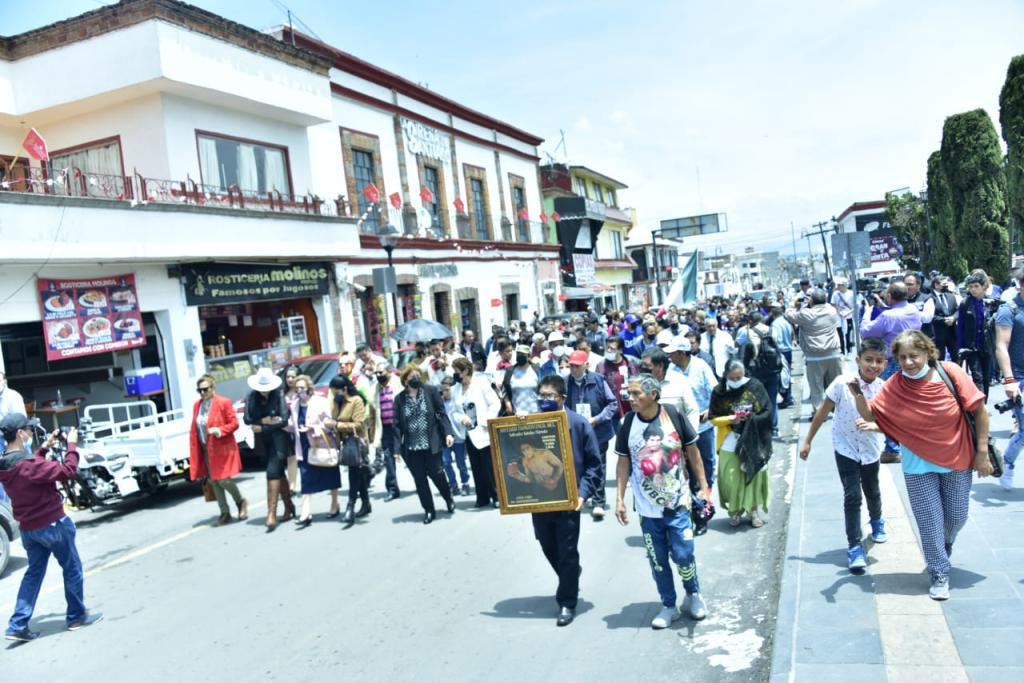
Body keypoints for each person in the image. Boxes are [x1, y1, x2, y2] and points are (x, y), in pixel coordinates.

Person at [847, 330, 993, 600]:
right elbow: (871, 413)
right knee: (929, 522)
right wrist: (857, 394)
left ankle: (944, 544)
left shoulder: (950, 372)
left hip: (958, 457)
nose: (908, 362)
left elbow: (980, 411)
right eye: (902, 357)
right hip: (917, 465)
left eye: (914, 355)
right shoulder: (895, 384)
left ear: (927, 352)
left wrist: (982, 452)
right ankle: (939, 572)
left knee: (956, 517)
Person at [614, 374, 711, 629]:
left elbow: (693, 452)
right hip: (647, 510)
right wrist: (619, 499)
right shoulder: (627, 423)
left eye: (636, 394)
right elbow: (623, 461)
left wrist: (704, 487)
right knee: (658, 561)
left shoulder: (673, 415)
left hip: (678, 504)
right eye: (629, 394)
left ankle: (693, 594)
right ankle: (669, 605)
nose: (631, 398)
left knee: (683, 554)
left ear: (653, 395)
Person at [0, 417, 101, 641]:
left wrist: (44, 448)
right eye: (28, 430)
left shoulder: (6, 464)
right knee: (72, 569)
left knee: (33, 574)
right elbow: (68, 470)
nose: (30, 433)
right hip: (52, 525)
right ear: (19, 433)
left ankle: (17, 624)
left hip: (29, 530)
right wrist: (72, 444)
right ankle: (76, 617)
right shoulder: (29, 465)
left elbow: (29, 468)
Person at [799, 338, 889, 572]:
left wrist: (876, 427)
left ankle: (877, 520)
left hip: (870, 450)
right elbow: (822, 412)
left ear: (885, 363)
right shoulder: (841, 383)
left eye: (878, 361)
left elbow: (887, 422)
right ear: (857, 360)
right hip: (845, 448)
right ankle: (854, 547)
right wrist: (808, 441)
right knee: (852, 496)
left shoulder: (884, 388)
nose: (873, 365)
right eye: (868, 360)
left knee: (872, 490)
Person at [530, 375, 603, 627]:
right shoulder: (532, 424)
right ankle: (570, 574)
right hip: (541, 500)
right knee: (547, 545)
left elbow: (594, 465)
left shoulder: (579, 424)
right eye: (541, 396)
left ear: (562, 398)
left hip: (570, 500)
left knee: (567, 551)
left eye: (549, 396)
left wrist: (583, 494)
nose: (544, 400)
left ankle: (567, 602)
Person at [861, 281, 923, 463]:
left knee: (889, 405)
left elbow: (866, 332)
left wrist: (867, 312)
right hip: (914, 360)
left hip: (893, 362)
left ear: (890, 296)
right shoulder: (913, 310)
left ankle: (892, 448)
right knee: (912, 402)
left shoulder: (887, 316)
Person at [709, 360, 773, 527]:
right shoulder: (719, 392)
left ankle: (754, 511)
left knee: (753, 475)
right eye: (732, 378)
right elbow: (713, 418)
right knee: (731, 478)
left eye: (739, 377)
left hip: (754, 438)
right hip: (729, 440)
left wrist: (751, 418)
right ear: (726, 375)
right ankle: (736, 510)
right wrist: (731, 419)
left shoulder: (755, 386)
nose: (736, 381)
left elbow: (767, 411)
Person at [394, 365, 456, 524]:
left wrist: (448, 433)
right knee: (420, 479)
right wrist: (396, 449)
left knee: (437, 473)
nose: (416, 379)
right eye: (411, 377)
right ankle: (429, 509)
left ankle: (448, 497)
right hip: (412, 447)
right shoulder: (400, 399)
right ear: (405, 381)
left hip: (431, 443)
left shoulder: (430, 391)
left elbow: (441, 413)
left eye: (417, 376)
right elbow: (397, 425)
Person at [565, 350, 617, 520]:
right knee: (577, 464)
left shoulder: (599, 380)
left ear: (586, 365)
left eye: (577, 366)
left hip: (597, 431)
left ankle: (598, 502)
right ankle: (582, 495)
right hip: (575, 432)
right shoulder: (565, 383)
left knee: (598, 464)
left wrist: (597, 419)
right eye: (571, 366)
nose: (574, 370)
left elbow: (612, 404)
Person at [189, 374, 247, 526]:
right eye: (199, 390)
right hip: (205, 448)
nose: (202, 393)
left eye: (205, 389)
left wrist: (220, 430)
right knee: (214, 481)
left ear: (213, 388)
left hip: (221, 447)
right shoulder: (197, 405)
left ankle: (240, 501)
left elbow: (234, 423)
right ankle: (224, 512)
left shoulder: (223, 402)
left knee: (224, 480)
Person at [243, 367, 295, 531]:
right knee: (278, 473)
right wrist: (264, 421)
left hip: (278, 439)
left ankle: (271, 513)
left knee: (272, 472)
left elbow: (284, 420)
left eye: (266, 388)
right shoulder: (251, 396)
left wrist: (263, 427)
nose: (264, 391)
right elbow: (247, 419)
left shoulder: (278, 394)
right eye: (261, 388)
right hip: (262, 441)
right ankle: (289, 506)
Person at [287, 374, 340, 525]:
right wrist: (280, 424)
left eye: (302, 388)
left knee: (330, 474)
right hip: (303, 445)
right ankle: (305, 512)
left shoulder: (320, 402)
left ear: (309, 388)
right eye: (297, 388)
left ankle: (334, 503)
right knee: (306, 477)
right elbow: (293, 424)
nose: (299, 391)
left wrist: (314, 428)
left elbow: (330, 423)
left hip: (321, 444)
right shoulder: (294, 405)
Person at [667, 337, 717, 496]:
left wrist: (710, 410)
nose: (670, 356)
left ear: (682, 353)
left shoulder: (701, 367)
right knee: (685, 461)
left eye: (672, 353)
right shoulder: (671, 370)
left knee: (706, 459)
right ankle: (691, 493)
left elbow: (716, 391)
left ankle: (706, 491)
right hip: (681, 427)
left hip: (703, 424)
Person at [450, 357, 501, 507]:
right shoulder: (456, 389)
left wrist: (485, 421)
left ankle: (496, 496)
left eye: (457, 371)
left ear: (466, 371)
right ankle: (482, 497)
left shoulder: (481, 384)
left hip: (483, 432)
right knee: (476, 467)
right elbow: (454, 411)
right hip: (468, 433)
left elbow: (495, 403)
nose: (455, 374)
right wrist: (462, 418)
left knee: (488, 466)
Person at [786, 289, 843, 412]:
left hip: (814, 357)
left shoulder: (806, 314)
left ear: (811, 301)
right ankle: (838, 409)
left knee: (816, 387)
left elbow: (789, 315)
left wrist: (793, 303)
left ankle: (818, 412)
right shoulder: (831, 311)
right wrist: (810, 303)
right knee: (836, 385)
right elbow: (823, 304)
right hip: (834, 354)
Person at [994, 267, 1024, 490]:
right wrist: (1009, 380)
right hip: (1020, 376)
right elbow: (1001, 346)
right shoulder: (1009, 310)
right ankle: (1007, 462)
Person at [327, 374, 370, 527]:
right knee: (359, 473)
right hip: (344, 443)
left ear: (345, 389)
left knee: (354, 473)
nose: (335, 394)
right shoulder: (336, 402)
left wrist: (337, 425)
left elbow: (358, 425)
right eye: (333, 392)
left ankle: (350, 506)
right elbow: (333, 419)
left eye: (337, 391)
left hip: (356, 442)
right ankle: (366, 503)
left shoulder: (356, 401)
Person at [740, 312, 783, 437]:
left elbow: (746, 353)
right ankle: (774, 428)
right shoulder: (772, 330)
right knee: (772, 399)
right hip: (773, 369)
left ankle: (762, 428)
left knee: (758, 401)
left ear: (751, 321)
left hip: (757, 370)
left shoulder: (749, 332)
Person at [640, 347, 700, 433]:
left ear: (660, 366)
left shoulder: (680, 381)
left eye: (647, 366)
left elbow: (692, 411)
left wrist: (691, 434)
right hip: (650, 436)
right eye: (642, 365)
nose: (643, 368)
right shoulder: (640, 383)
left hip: (677, 435)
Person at [957, 269, 996, 401]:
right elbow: (960, 327)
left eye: (976, 286)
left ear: (984, 286)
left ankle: (984, 404)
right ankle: (979, 406)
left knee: (986, 378)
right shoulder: (965, 303)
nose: (973, 289)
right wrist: (960, 347)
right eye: (971, 286)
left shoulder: (990, 303)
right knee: (977, 377)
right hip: (971, 348)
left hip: (987, 346)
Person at [371, 362, 402, 501]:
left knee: (411, 457)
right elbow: (373, 409)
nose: (378, 375)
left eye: (381, 372)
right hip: (386, 429)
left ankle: (422, 482)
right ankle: (392, 489)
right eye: (376, 373)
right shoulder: (375, 389)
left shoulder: (397, 385)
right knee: (388, 458)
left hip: (400, 428)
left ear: (389, 372)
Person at [440, 377, 472, 496]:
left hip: (458, 437)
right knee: (446, 462)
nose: (445, 393)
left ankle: (465, 483)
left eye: (447, 390)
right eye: (443, 390)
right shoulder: (440, 403)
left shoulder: (457, 402)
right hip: (445, 438)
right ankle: (453, 484)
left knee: (461, 463)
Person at [596, 336, 640, 422]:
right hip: (613, 412)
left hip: (631, 407)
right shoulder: (601, 366)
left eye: (612, 348)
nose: (609, 351)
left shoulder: (631, 363)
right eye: (607, 348)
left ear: (620, 350)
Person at [501, 345, 541, 416]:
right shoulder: (510, 371)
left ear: (529, 355)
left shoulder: (537, 370)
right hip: (517, 413)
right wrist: (507, 403)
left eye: (522, 354)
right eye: (518, 354)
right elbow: (504, 389)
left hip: (536, 412)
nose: (520, 356)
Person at [769, 304, 795, 408]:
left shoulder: (775, 324)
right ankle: (788, 396)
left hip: (781, 351)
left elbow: (775, 339)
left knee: (781, 376)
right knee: (787, 375)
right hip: (788, 350)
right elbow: (791, 334)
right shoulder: (786, 322)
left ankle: (787, 398)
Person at [281, 365, 301, 494]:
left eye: (293, 377)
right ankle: (292, 486)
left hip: (303, 429)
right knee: (291, 457)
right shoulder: (282, 394)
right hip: (288, 430)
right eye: (288, 377)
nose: (290, 379)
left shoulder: (303, 392)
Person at [932, 276, 960, 362]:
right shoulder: (930, 298)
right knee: (939, 359)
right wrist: (944, 320)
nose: (946, 286)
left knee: (956, 357)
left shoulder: (951, 296)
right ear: (936, 285)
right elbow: (931, 316)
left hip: (952, 332)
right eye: (944, 284)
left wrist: (953, 318)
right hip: (938, 334)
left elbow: (957, 310)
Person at [0, 371, 26, 452]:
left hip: (13, 438)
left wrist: (9, 440)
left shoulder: (13, 396)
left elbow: (20, 421)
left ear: (4, 381)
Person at [904, 273, 936, 340]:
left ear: (918, 286)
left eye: (910, 284)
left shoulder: (927, 298)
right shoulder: (900, 300)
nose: (907, 287)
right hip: (906, 339)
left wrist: (908, 312)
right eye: (905, 284)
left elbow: (927, 318)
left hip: (924, 339)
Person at [830, 279, 855, 354]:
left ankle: (849, 351)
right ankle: (842, 351)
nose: (838, 286)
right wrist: (838, 312)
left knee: (848, 335)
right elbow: (833, 304)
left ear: (844, 285)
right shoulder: (835, 294)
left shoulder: (851, 294)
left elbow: (855, 306)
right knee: (840, 335)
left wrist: (848, 313)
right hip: (839, 318)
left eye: (839, 285)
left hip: (848, 317)